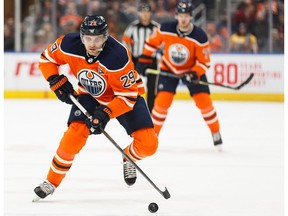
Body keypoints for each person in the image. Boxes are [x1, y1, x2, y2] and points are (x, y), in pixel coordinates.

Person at [33, 15, 158, 200]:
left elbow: (128, 96)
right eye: (88, 39)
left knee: (149, 145)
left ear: (105, 38)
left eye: (97, 39)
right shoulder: (68, 44)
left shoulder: (118, 56)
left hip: (123, 97)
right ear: (81, 36)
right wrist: (55, 79)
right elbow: (46, 59)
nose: (92, 44)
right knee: (73, 136)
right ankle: (51, 182)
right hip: (90, 95)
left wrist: (107, 112)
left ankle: (128, 156)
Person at [136, 0, 223, 149]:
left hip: (192, 71)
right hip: (168, 69)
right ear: (176, 15)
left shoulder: (200, 36)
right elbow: (151, 43)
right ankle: (153, 136)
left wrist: (194, 73)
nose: (183, 19)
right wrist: (144, 60)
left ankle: (216, 132)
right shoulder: (166, 28)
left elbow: (204, 62)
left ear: (191, 17)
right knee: (161, 104)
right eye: (181, 15)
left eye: (187, 15)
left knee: (205, 104)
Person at [122, 2, 160, 112]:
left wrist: (159, 55)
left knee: (152, 87)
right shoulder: (132, 27)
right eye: (142, 12)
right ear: (139, 13)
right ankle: (131, 107)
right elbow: (125, 43)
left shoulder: (156, 28)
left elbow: (163, 45)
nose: (145, 14)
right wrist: (128, 59)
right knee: (132, 85)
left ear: (150, 13)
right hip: (136, 60)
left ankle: (150, 111)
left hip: (151, 60)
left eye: (147, 12)